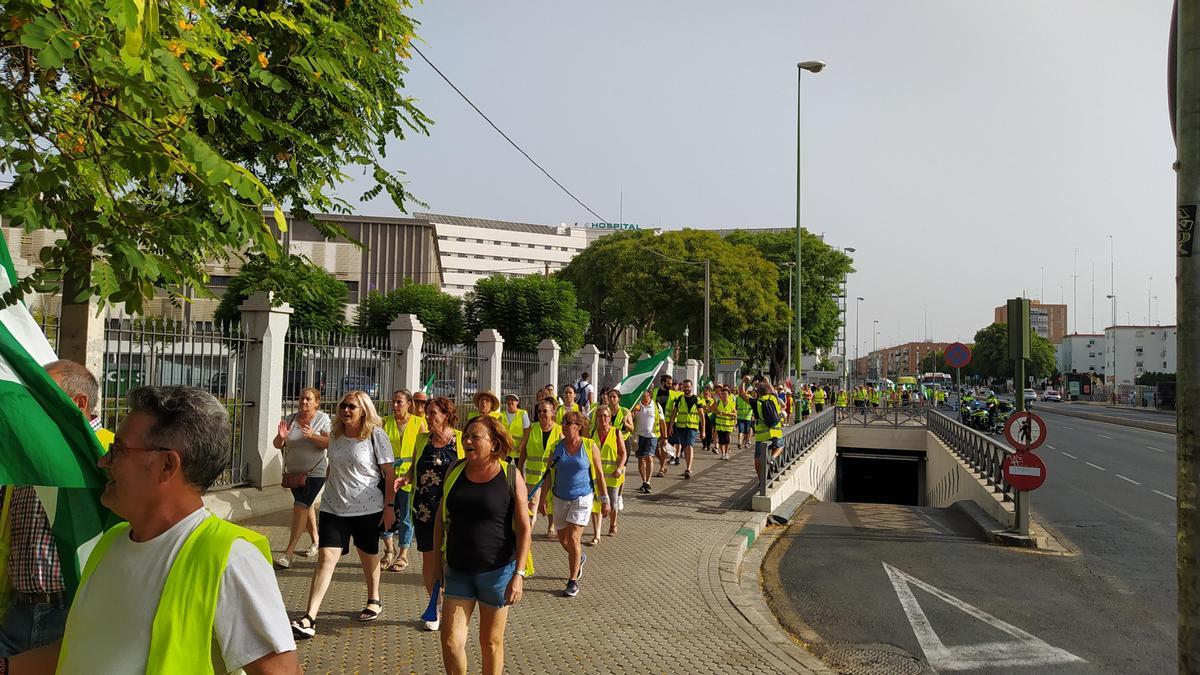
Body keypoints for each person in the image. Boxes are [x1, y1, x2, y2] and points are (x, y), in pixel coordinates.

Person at [12, 386, 298, 673]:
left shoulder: (230, 560)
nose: (103, 462)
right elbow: (80, 647)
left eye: (118, 450)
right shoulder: (112, 541)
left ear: (166, 465)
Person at [0, 360, 113, 658]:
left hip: (73, 610)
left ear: (78, 404)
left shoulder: (109, 454)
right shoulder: (29, 453)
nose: (32, 407)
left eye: (43, 397)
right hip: (18, 610)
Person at [289, 390, 395, 640]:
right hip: (333, 507)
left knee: (368, 556)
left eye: (352, 407)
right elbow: (332, 468)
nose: (346, 411)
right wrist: (322, 495)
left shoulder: (375, 435)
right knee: (326, 556)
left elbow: (389, 473)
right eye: (343, 406)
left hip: (367, 508)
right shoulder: (334, 435)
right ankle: (309, 617)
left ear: (364, 411)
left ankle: (374, 598)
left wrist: (389, 507)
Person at [434, 416, 532, 675]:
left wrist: (518, 575)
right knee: (451, 643)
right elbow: (439, 519)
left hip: (497, 572)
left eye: (475, 437)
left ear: (494, 443)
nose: (467, 441)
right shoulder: (455, 470)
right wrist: (435, 567)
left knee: (490, 643)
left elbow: (524, 528)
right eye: (466, 435)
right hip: (457, 571)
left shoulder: (511, 475)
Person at [401, 397, 465, 631]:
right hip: (424, 511)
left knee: (450, 561)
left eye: (433, 413)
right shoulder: (422, 439)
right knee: (430, 561)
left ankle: (453, 604)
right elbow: (414, 469)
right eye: (427, 413)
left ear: (446, 415)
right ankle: (434, 606)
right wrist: (406, 478)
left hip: (453, 513)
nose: (428, 417)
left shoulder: (460, 439)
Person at [538, 411, 608, 598]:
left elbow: (600, 474)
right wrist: (542, 499)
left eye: (568, 423)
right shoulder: (556, 447)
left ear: (578, 426)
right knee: (564, 540)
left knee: (574, 538)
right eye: (563, 423)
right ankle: (579, 557)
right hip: (560, 498)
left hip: (582, 497)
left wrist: (605, 499)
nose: (564, 426)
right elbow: (547, 476)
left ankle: (572, 581)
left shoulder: (589, 445)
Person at [272, 386, 331, 569]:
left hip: (315, 472)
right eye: (302, 398)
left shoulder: (322, 418)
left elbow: (329, 443)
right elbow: (277, 444)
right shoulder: (290, 419)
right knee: (306, 506)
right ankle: (316, 541)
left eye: (308, 399)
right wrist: (281, 438)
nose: (304, 402)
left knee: (300, 507)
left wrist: (313, 435)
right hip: (295, 475)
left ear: (317, 402)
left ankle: (288, 553)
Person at [381, 389, 426, 572]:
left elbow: (423, 452)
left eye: (399, 402)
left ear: (409, 404)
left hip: (409, 476)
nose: (395, 405)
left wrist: (414, 475)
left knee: (406, 517)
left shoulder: (419, 423)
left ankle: (403, 554)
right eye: (394, 401)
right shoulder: (386, 422)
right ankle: (388, 550)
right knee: (387, 512)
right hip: (388, 474)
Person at [517, 399, 562, 540]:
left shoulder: (559, 430)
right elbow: (523, 450)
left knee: (551, 502)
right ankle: (527, 532)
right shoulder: (532, 428)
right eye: (539, 411)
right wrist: (520, 470)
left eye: (545, 411)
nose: (541, 414)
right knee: (531, 505)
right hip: (533, 475)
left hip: (553, 475)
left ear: (553, 413)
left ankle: (551, 526)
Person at [589, 407, 626, 541]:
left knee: (613, 504)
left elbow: (623, 453)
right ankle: (596, 533)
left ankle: (612, 524)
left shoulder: (616, 432)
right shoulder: (592, 432)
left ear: (610, 418)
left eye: (605, 416)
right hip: (596, 476)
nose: (603, 419)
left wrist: (620, 468)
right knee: (596, 504)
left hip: (612, 475)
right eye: (600, 416)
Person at [738, 377, 784, 479]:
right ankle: (772, 458)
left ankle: (761, 480)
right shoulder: (774, 397)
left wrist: (744, 381)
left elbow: (741, 394)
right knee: (780, 446)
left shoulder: (756, 402)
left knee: (758, 459)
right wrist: (766, 380)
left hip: (762, 436)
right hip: (775, 432)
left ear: (757, 393)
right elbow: (771, 388)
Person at [667, 379, 704, 479]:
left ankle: (688, 468)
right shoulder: (679, 399)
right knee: (685, 447)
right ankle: (688, 468)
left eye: (688, 387)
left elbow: (702, 416)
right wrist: (670, 427)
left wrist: (703, 430)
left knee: (689, 446)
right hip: (680, 427)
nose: (686, 389)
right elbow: (674, 414)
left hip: (692, 427)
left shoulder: (697, 399)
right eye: (684, 387)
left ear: (691, 387)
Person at [631, 390, 665, 494]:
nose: (642, 395)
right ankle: (644, 481)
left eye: (644, 393)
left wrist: (665, 436)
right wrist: (632, 414)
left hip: (652, 436)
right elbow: (629, 419)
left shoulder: (656, 406)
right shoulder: (636, 405)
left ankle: (648, 482)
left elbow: (662, 421)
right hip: (639, 436)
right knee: (641, 459)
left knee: (649, 457)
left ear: (649, 394)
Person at [654, 374, 681, 471]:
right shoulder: (655, 392)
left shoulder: (674, 394)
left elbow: (685, 397)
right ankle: (663, 462)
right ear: (662, 383)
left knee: (664, 445)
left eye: (671, 383)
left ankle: (662, 468)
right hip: (656, 423)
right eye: (668, 383)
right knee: (654, 447)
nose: (670, 385)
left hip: (668, 423)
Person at [501, 394, 531, 458]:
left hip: (518, 450)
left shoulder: (523, 413)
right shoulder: (502, 415)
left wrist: (521, 445)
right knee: (504, 467)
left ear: (517, 402)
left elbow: (527, 432)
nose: (510, 402)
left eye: (512, 400)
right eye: (508, 400)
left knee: (518, 467)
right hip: (507, 450)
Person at [713, 386, 738, 460]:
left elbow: (735, 414)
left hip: (728, 425)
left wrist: (726, 413)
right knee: (721, 441)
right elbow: (714, 411)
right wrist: (717, 412)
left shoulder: (732, 403)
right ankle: (723, 453)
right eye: (723, 394)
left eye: (725, 394)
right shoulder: (719, 402)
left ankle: (726, 453)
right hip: (719, 425)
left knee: (727, 440)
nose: (724, 396)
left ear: (728, 395)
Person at [700, 383, 717, 453]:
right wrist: (705, 408)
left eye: (707, 392)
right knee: (702, 430)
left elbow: (713, 408)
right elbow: (701, 408)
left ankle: (708, 444)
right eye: (705, 391)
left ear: (709, 392)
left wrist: (708, 408)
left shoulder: (712, 400)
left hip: (710, 417)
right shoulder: (700, 399)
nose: (706, 393)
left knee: (709, 431)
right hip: (702, 417)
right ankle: (704, 444)